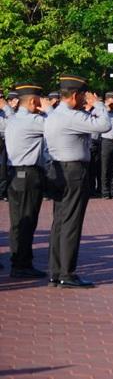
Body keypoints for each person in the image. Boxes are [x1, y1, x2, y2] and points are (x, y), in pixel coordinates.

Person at [44, 75, 110, 288]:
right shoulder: (71, 116)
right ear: (74, 95)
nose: (85, 100)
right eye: (83, 96)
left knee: (60, 223)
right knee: (71, 223)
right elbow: (104, 125)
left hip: (57, 169)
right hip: (73, 171)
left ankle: (55, 271)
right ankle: (67, 273)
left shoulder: (53, 115)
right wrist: (98, 105)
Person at [5, 84, 49, 278]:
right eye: (39, 100)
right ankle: (22, 264)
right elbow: (59, 125)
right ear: (33, 101)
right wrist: (50, 109)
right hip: (28, 174)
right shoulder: (33, 121)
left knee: (17, 221)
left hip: (15, 174)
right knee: (27, 220)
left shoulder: (13, 119)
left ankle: (18, 260)